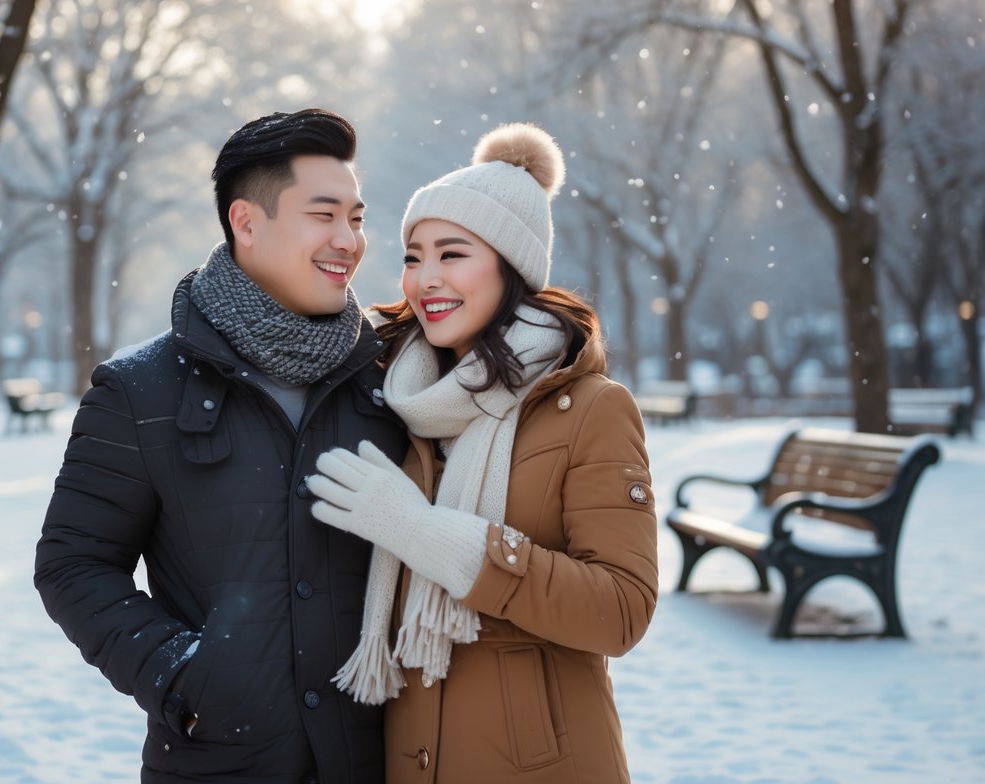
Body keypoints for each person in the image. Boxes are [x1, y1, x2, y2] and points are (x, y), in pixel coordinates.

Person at [34, 108, 408, 784]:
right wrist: (183, 674)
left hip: (376, 762)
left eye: (356, 218)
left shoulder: (391, 381)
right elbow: (73, 564)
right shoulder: (139, 390)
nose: (349, 240)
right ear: (246, 222)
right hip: (220, 764)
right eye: (323, 215)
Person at [307, 123, 658, 783]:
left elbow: (620, 612)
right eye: (413, 257)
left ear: (511, 266)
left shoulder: (591, 409)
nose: (426, 279)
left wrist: (429, 535)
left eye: (452, 254)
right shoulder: (394, 398)